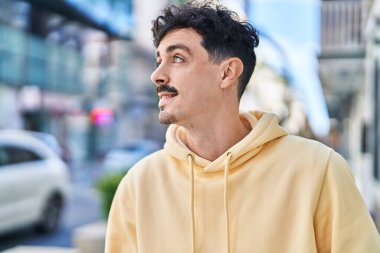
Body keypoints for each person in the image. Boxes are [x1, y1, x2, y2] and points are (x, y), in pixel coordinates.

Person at [105, 1, 380, 252]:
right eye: (158, 60)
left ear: (227, 73)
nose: (157, 75)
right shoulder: (139, 185)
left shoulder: (319, 171)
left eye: (177, 58)